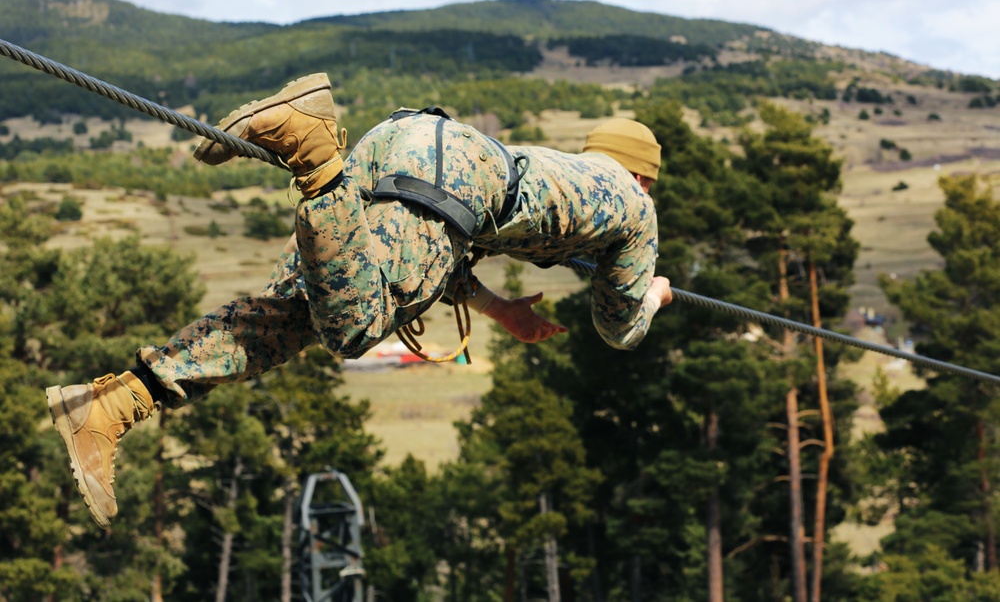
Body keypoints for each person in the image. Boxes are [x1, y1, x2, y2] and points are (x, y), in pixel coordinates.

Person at [46, 73, 674, 527]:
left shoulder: (566, 168)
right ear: (644, 174)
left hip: (408, 145)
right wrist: (654, 295)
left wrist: (498, 309)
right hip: (450, 178)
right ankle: (314, 153)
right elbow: (618, 328)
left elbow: (433, 245)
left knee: (295, 316)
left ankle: (112, 403)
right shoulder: (634, 204)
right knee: (355, 327)